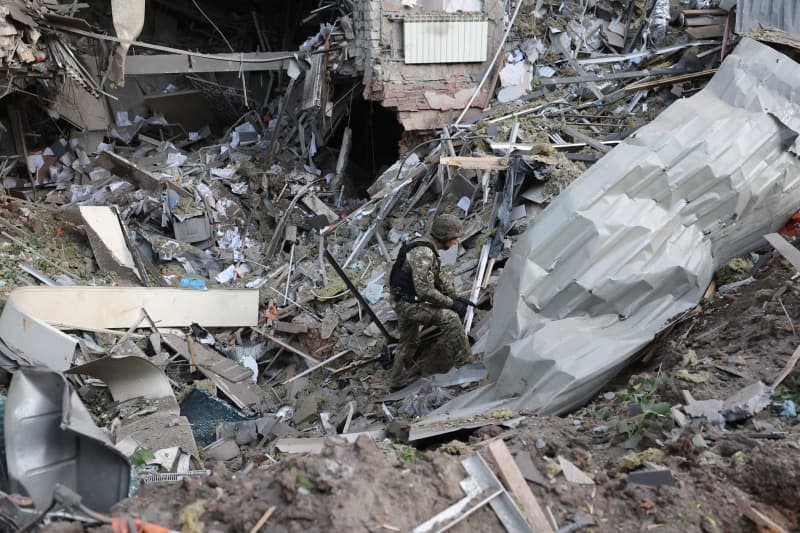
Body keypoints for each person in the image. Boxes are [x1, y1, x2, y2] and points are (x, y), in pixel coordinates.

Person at [388, 214, 472, 388]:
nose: (456, 242)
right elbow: (425, 291)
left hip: (402, 298)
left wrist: (455, 296)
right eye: (454, 239)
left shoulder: (425, 245)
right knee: (451, 319)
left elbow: (438, 276)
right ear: (444, 237)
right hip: (408, 303)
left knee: (409, 341)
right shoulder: (424, 253)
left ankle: (396, 380)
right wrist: (452, 304)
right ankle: (466, 366)